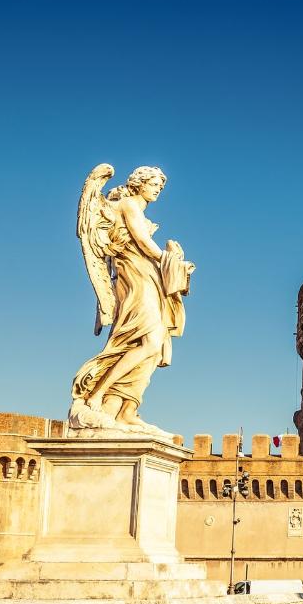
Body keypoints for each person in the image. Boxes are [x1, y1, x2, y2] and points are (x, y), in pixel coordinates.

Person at [71, 165, 194, 437]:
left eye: (160, 187)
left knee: (154, 346)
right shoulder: (127, 205)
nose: (157, 190)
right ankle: (97, 395)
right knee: (147, 339)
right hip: (134, 278)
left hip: (149, 276)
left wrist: (173, 263)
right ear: (139, 184)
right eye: (154, 185)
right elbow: (142, 242)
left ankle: (126, 410)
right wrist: (173, 259)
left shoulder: (137, 210)